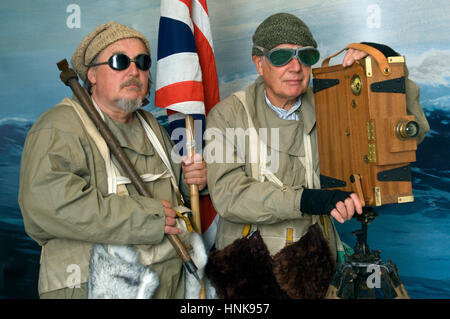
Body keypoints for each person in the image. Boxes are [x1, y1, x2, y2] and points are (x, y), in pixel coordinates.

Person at [205, 13, 430, 297]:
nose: (296, 67)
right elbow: (229, 196)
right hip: (249, 272)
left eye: (306, 56)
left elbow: (408, 133)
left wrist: (388, 63)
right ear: (258, 62)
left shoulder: (332, 103)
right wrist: (310, 199)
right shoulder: (227, 116)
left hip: (317, 265)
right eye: (281, 57)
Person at [18, 22, 207, 299]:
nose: (134, 71)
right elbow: (47, 207)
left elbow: (177, 196)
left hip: (167, 284)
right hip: (91, 287)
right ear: (92, 74)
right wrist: (145, 218)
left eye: (142, 62)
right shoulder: (60, 126)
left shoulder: (151, 126)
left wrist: (196, 180)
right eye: (120, 61)